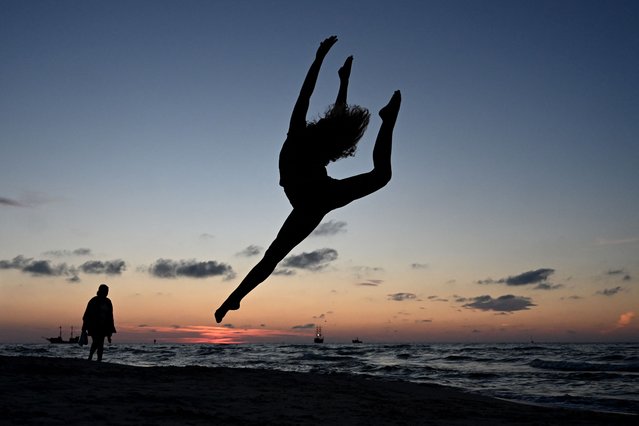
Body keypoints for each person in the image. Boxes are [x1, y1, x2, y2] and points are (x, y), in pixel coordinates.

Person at [215, 36, 401, 323]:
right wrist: (341, 79)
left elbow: (307, 94)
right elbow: (332, 112)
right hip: (319, 198)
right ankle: (387, 121)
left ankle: (235, 297)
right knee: (382, 175)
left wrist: (320, 59)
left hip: (310, 200)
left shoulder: (298, 133)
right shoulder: (316, 143)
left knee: (272, 256)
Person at [82, 284, 116, 361]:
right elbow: (87, 314)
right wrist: (84, 328)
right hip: (94, 325)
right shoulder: (93, 300)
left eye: (107, 291)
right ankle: (91, 357)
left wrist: (109, 332)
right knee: (97, 341)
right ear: (100, 291)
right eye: (105, 291)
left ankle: (98, 359)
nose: (106, 293)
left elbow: (110, 316)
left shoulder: (108, 302)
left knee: (100, 343)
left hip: (104, 326)